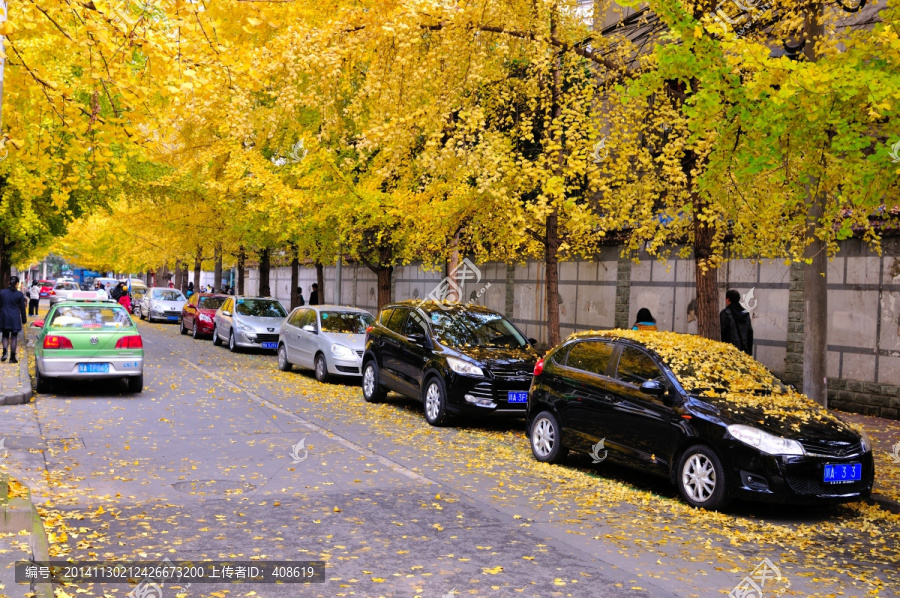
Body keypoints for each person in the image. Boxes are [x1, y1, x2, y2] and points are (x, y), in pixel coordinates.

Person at [0, 276, 28, 363]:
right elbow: (22, 308)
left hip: (4, 316)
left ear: (9, 282)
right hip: (15, 317)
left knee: (5, 335)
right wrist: (24, 319)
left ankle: (4, 352)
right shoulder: (19, 294)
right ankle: (12, 357)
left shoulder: (2, 292)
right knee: (14, 336)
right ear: (17, 284)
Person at [721, 289, 754, 355]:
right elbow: (750, 332)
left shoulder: (725, 313)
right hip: (744, 350)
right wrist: (749, 352)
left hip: (730, 351)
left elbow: (723, 333)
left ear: (727, 300)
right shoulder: (745, 313)